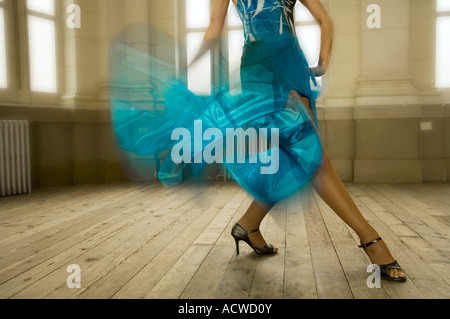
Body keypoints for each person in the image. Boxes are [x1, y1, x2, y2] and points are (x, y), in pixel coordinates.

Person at [190, 0, 406, 282]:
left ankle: (248, 224)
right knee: (310, 157)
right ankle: (372, 242)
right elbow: (214, 29)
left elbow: (325, 20)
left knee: (295, 156)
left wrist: (323, 61)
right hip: (258, 71)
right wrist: (188, 71)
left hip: (291, 65)